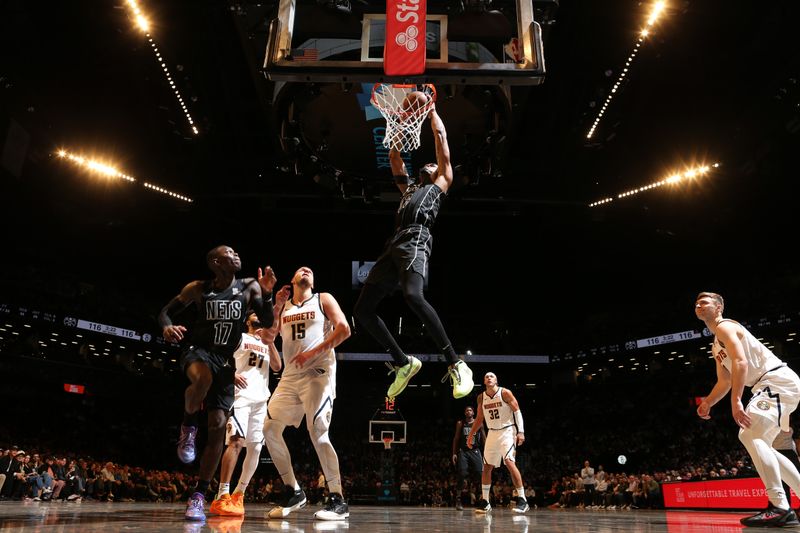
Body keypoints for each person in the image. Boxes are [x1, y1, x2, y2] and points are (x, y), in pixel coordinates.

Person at [353, 106, 474, 400]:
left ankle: (456, 362)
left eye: (433, 164)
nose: (430, 165)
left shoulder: (441, 182)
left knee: (413, 296)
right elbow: (395, 157)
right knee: (361, 311)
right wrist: (398, 122)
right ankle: (404, 363)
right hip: (393, 244)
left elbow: (441, 136)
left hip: (416, 239)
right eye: (428, 164)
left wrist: (430, 111)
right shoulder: (407, 188)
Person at [159, 245, 277, 521]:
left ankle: (199, 496)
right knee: (202, 378)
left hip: (226, 362)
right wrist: (166, 327)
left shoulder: (249, 287)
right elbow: (165, 312)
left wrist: (268, 294)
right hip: (198, 352)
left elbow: (268, 321)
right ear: (215, 261)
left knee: (216, 428)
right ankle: (188, 426)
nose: (237, 255)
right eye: (230, 253)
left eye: (237, 253)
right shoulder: (198, 288)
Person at [695, 291, 800, 527]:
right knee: (759, 440)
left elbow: (741, 362)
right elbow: (725, 381)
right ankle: (787, 504)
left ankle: (780, 507)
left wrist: (736, 402)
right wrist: (708, 402)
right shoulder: (715, 345)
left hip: (774, 380)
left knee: (749, 433)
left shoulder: (725, 326)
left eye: (704, 302)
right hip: (771, 385)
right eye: (696, 303)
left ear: (719, 307)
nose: (698, 305)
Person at [262, 266, 351, 521]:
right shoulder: (286, 306)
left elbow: (343, 329)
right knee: (269, 429)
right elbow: (268, 336)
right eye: (301, 269)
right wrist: (276, 304)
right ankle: (294, 491)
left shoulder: (323, 299)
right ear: (292, 279)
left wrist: (313, 353)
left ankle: (338, 499)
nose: (307, 270)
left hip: (318, 372)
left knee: (318, 432)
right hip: (290, 376)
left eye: (310, 270)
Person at [208, 312, 282, 517]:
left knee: (256, 448)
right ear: (247, 322)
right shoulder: (240, 337)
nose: (259, 315)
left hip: (261, 401)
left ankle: (239, 493)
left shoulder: (267, 342)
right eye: (254, 314)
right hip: (240, 398)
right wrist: (230, 374)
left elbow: (277, 366)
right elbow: (216, 357)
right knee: (236, 442)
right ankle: (222, 494)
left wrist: (271, 342)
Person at [467, 372, 529, 514]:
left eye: (492, 376)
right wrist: (471, 435)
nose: (489, 378)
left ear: (496, 380)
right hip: (492, 432)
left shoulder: (505, 393)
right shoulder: (481, 397)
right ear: (484, 381)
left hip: (507, 430)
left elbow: (517, 411)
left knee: (509, 461)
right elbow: (479, 418)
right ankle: (485, 502)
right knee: (487, 466)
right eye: (486, 376)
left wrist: (521, 432)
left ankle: (522, 499)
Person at [452, 405, 485, 510]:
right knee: (461, 473)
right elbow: (456, 439)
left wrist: (488, 453)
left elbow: (484, 439)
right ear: (464, 413)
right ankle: (458, 500)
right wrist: (454, 453)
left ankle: (483, 500)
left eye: (470, 410)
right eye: (466, 410)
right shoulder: (460, 423)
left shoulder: (479, 423)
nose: (468, 412)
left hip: (475, 451)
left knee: (481, 474)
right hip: (464, 451)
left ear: (473, 413)